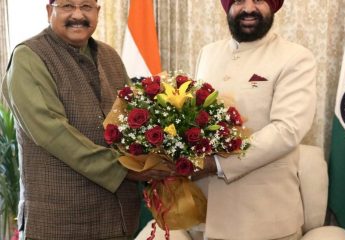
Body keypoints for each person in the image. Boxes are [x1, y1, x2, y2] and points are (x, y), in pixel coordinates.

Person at [2, 0, 170, 239]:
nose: (78, 15)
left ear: (98, 12)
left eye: (86, 6)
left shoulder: (110, 56)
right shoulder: (29, 57)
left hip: (117, 219)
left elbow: (133, 122)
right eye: (68, 5)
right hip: (59, 223)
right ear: (50, 11)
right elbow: (53, 133)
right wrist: (123, 169)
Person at [191, 0, 317, 239]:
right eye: (238, 1)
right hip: (204, 215)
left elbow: (286, 130)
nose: (248, 8)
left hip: (264, 220)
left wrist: (216, 164)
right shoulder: (208, 53)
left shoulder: (296, 57)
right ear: (227, 7)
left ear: (273, 6)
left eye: (258, 0)